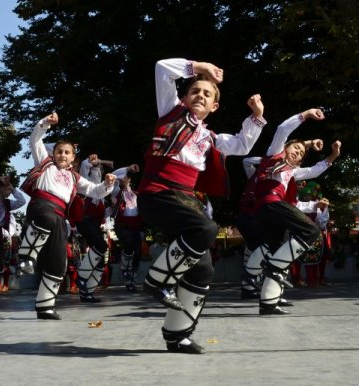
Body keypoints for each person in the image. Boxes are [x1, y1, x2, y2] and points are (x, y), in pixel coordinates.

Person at [138, 58, 266, 354]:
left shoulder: (211, 138)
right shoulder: (171, 111)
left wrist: (256, 117)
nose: (200, 96)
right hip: (157, 191)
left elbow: (241, 146)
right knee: (205, 227)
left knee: (202, 270)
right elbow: (160, 68)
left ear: (214, 108)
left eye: (207, 94)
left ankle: (177, 335)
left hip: (183, 197)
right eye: (195, 90)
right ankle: (156, 282)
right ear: (184, 97)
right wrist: (200, 67)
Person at [18, 112, 116, 320]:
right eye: (59, 151)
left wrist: (108, 184)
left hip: (59, 217)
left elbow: (95, 191)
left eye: (67, 152)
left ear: (73, 157)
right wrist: (46, 122)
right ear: (53, 154)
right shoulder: (43, 163)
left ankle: (45, 307)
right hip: (40, 207)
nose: (62, 155)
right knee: (48, 217)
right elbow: (35, 138)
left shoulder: (75, 177)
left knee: (58, 262)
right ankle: (26, 256)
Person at [253, 109, 341, 315]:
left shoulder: (291, 172)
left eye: (301, 153)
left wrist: (333, 155)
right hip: (269, 204)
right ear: (285, 148)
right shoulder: (274, 155)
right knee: (311, 230)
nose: (298, 153)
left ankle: (268, 303)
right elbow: (283, 129)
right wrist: (306, 114)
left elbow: (314, 171)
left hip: (268, 211)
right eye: (295, 149)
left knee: (279, 250)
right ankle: (273, 267)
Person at [74, 153, 117, 302]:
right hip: (83, 220)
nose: (97, 173)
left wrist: (112, 206)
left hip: (94, 224)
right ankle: (80, 278)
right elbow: (86, 166)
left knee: (100, 260)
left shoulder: (101, 194)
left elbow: (105, 214)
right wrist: (96, 162)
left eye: (100, 172)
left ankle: (87, 293)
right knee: (101, 245)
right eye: (95, 171)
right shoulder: (85, 183)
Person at [111, 164, 143, 292]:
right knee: (129, 245)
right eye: (122, 177)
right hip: (121, 224)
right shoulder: (116, 190)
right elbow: (114, 174)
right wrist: (128, 168)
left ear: (129, 180)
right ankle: (124, 267)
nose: (124, 179)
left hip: (135, 224)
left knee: (138, 251)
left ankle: (131, 280)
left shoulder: (135, 194)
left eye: (127, 177)